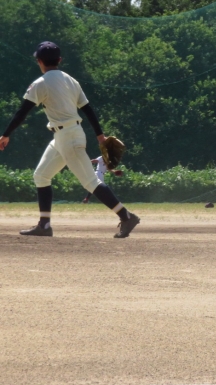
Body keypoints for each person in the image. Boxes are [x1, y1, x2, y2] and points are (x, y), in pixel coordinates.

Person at [0, 41, 140, 238]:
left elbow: (22, 112)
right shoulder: (71, 80)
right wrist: (100, 136)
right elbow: (88, 109)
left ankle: (126, 216)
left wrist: (5, 134)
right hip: (65, 136)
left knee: (90, 182)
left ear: (39, 61)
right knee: (41, 175)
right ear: (59, 60)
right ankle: (44, 225)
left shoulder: (41, 83)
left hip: (68, 138)